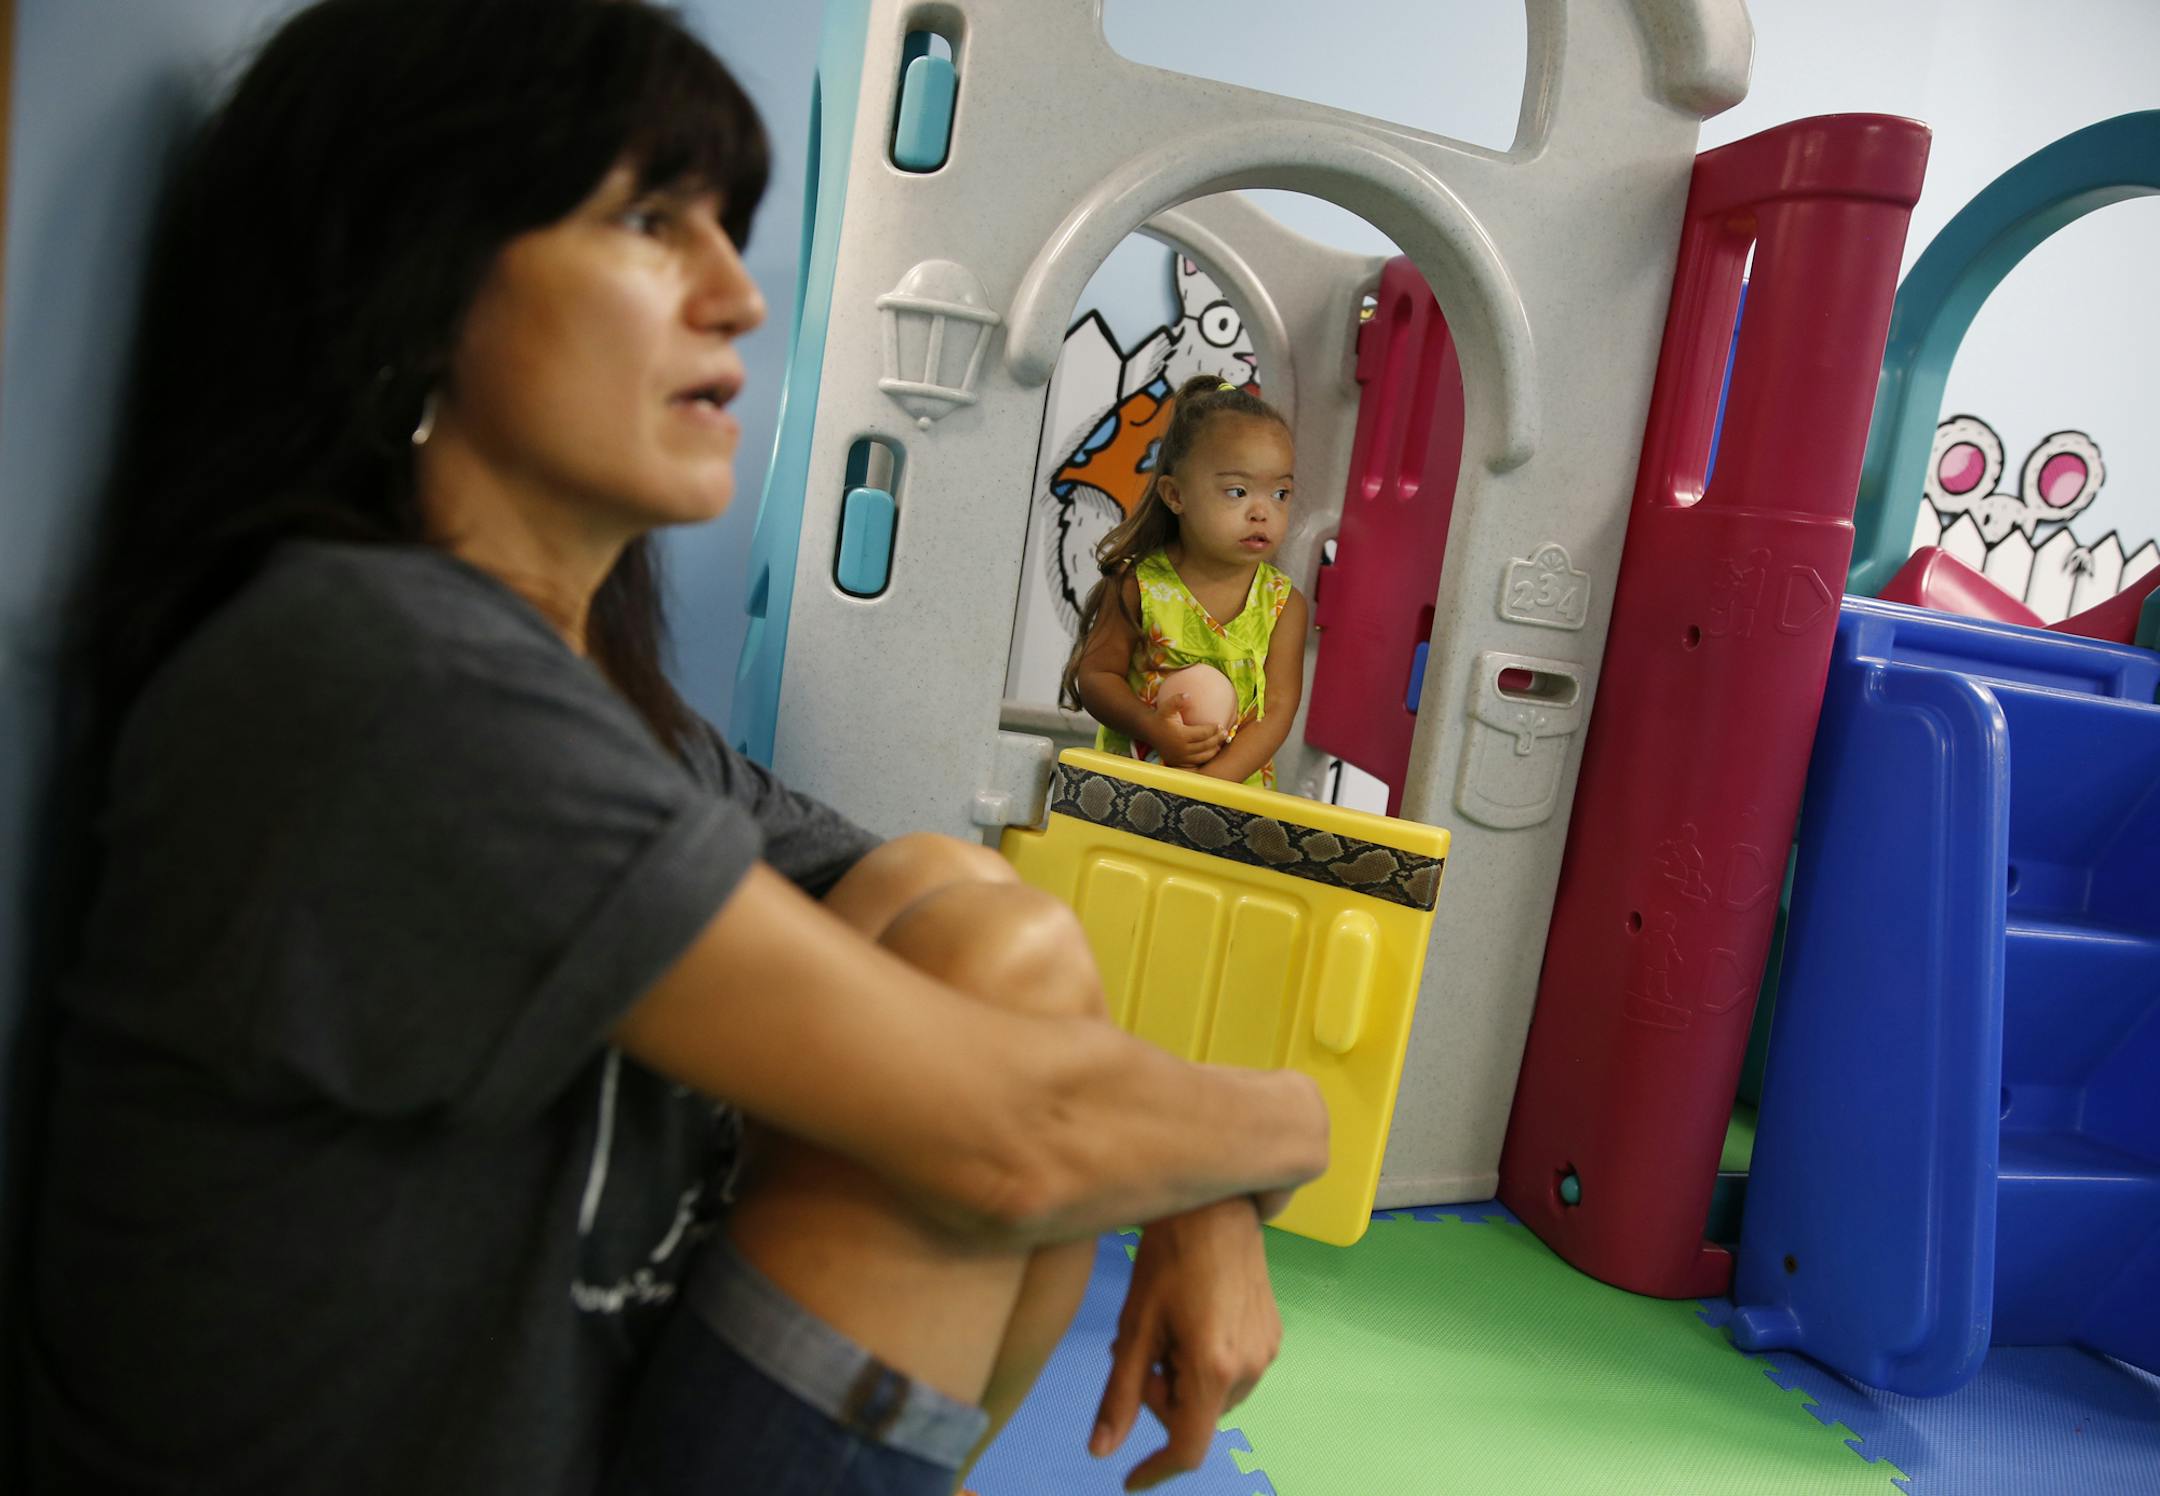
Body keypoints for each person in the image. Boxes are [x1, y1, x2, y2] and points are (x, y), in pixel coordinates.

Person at [25, 3, 1329, 1493]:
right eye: (649, 220)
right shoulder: (376, 677)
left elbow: (958, 945)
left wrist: (1198, 1183)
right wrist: (1266, 1138)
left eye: (727, 227)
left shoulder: (583, 697)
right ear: (412, 275)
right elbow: (1013, 1140)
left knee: (993, 940)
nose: (737, 296)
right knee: (1004, 1047)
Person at [1061, 376, 1311, 790]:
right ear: (1175, 495)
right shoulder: (1138, 583)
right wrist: (1152, 727)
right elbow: (1097, 677)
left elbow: (1278, 711)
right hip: (1133, 791)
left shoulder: (1284, 604)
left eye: (1280, 494)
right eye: (1237, 491)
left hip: (1230, 800)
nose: (1262, 511)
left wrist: (1209, 787)